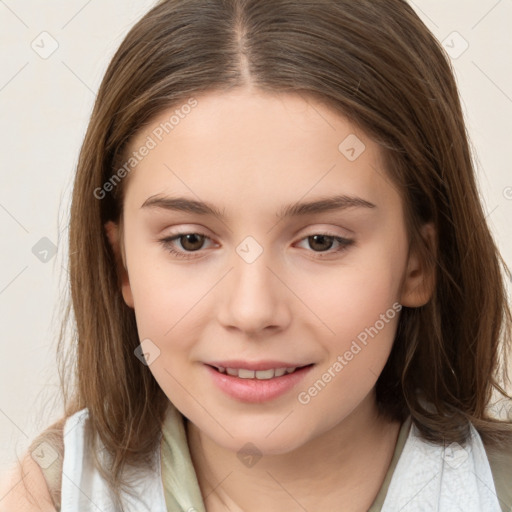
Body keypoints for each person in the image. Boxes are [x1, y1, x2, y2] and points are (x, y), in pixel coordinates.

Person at [2, 0, 512, 510]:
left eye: (321, 241)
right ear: (122, 265)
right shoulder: (51, 495)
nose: (251, 311)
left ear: (417, 262)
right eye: (190, 240)